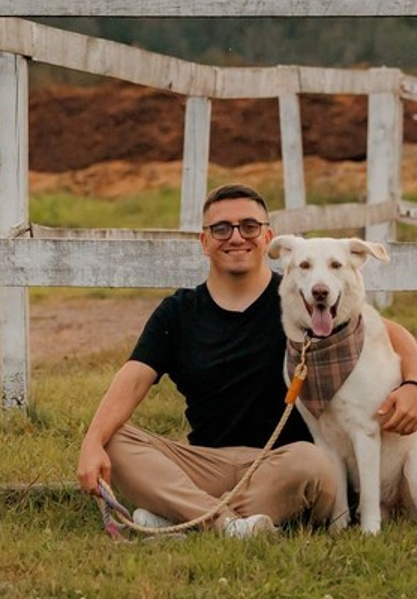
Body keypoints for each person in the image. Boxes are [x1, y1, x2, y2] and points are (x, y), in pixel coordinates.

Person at [76, 182, 417, 536]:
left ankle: (183, 515)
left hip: (283, 463)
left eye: (249, 227)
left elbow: (391, 333)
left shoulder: (300, 296)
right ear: (204, 242)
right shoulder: (178, 312)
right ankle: (225, 524)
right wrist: (92, 442)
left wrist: (413, 383)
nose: (236, 237)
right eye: (221, 228)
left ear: (268, 237)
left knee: (314, 464)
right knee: (112, 439)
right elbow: (132, 378)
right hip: (204, 463)